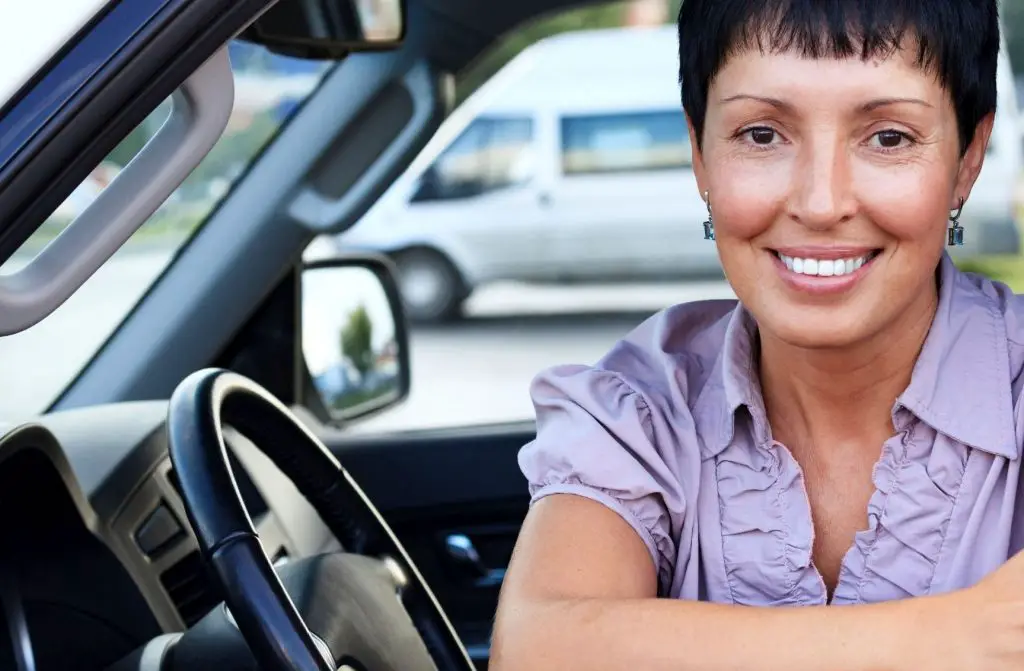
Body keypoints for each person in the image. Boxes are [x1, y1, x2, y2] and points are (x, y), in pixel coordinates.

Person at [490, 1, 1024, 669]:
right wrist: (954, 636)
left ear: (968, 160)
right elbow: (540, 647)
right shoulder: (646, 405)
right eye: (762, 135)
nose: (821, 202)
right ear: (700, 156)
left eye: (888, 137)